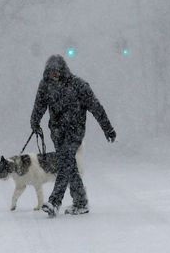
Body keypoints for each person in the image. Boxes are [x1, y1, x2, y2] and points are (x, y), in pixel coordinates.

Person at [30, 54, 116, 217]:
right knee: (69, 165)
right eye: (50, 72)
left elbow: (96, 108)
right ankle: (81, 202)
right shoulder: (45, 85)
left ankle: (54, 202)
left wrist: (108, 129)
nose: (53, 75)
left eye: (56, 72)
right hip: (56, 132)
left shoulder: (79, 85)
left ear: (63, 71)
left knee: (64, 162)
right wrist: (34, 122)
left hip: (74, 131)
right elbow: (39, 106)